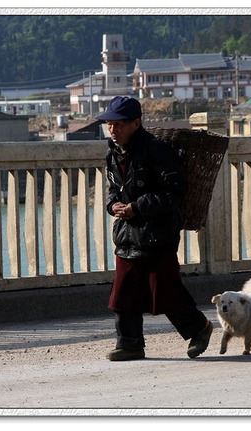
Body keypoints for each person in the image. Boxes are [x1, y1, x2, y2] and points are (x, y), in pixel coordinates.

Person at [97, 96, 213, 361]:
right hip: (127, 234)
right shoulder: (112, 153)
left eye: (119, 125)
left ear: (136, 123)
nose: (113, 131)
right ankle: (129, 344)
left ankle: (199, 328)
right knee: (122, 292)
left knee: (166, 291)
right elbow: (112, 189)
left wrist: (137, 207)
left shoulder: (157, 150)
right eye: (110, 125)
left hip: (158, 233)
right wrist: (113, 204)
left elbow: (174, 193)